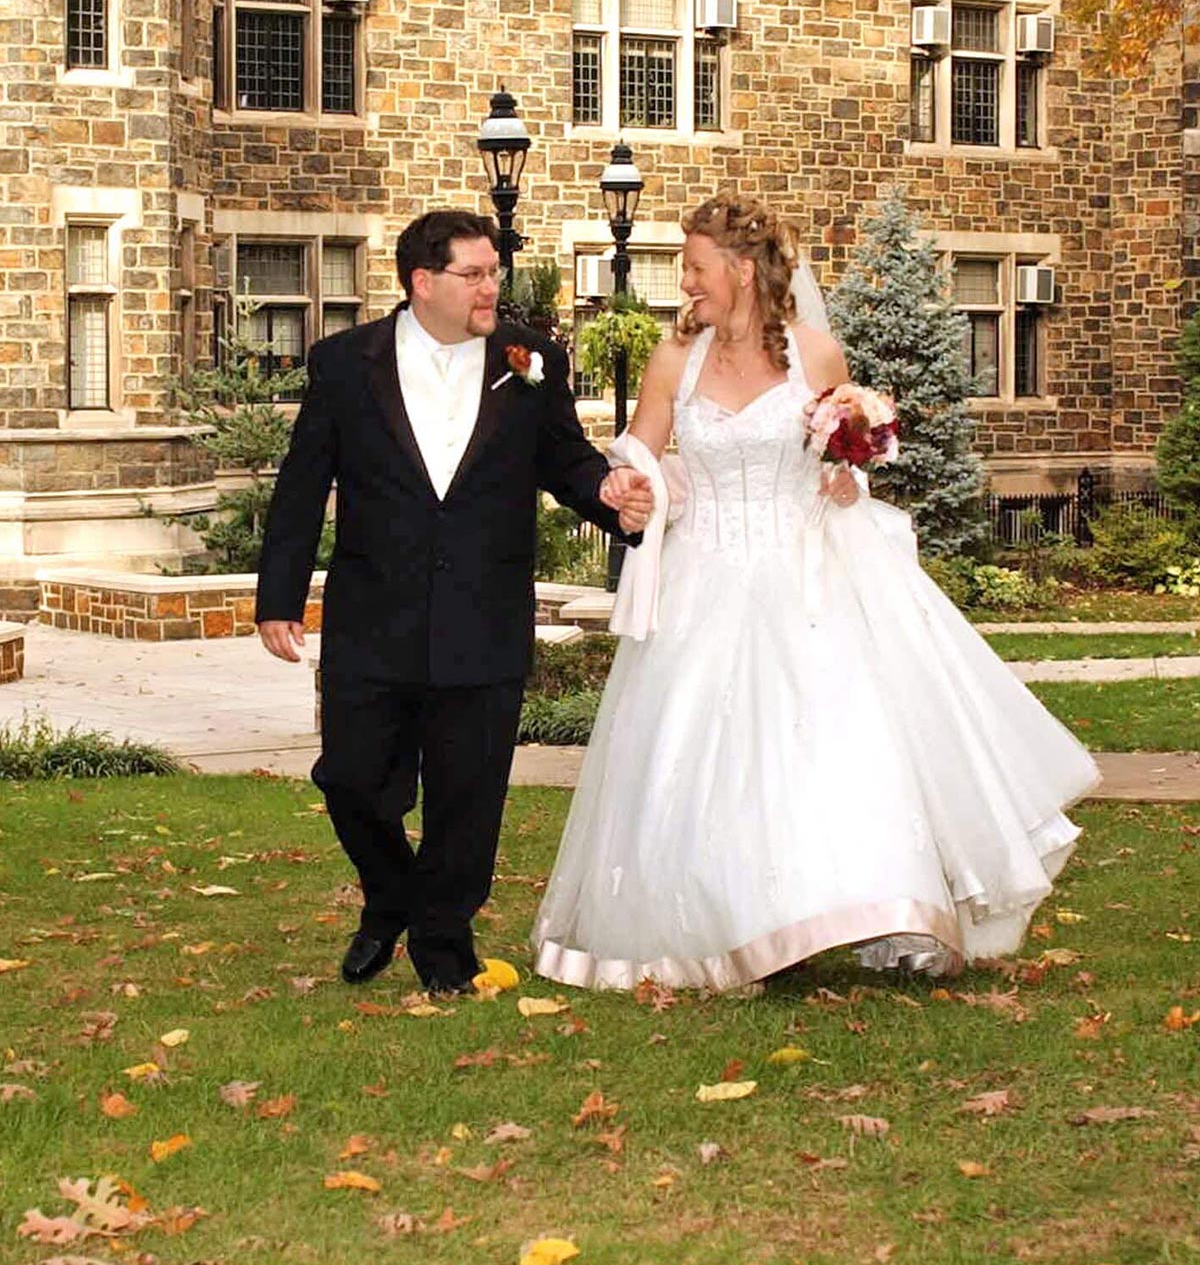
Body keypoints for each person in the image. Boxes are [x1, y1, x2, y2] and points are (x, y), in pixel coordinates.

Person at [532, 192, 1098, 991]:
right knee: (703, 758)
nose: (685, 283)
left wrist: (843, 482)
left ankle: (849, 905)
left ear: (738, 271)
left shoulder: (815, 355)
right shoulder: (673, 360)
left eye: (695, 268)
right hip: (705, 583)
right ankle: (723, 927)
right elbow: (642, 463)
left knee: (825, 747)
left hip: (806, 581)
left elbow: (842, 464)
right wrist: (633, 489)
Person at [256, 209, 653, 995]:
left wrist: (612, 498)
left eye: (493, 274)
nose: (490, 288)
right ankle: (390, 899)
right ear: (422, 282)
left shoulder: (530, 359)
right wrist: (280, 595)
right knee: (352, 779)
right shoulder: (344, 363)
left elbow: (564, 459)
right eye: (473, 275)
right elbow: (305, 485)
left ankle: (444, 943)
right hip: (375, 617)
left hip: (485, 613)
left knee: (468, 798)